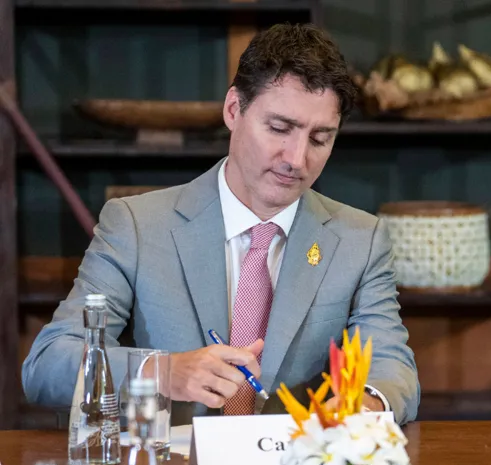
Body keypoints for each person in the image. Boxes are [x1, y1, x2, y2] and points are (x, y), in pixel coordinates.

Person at [22, 23, 420, 425]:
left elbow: (391, 364)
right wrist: (162, 372)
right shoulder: (137, 226)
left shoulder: (360, 239)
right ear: (234, 109)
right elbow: (48, 364)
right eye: (279, 129)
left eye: (320, 139)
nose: (297, 159)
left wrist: (362, 407)